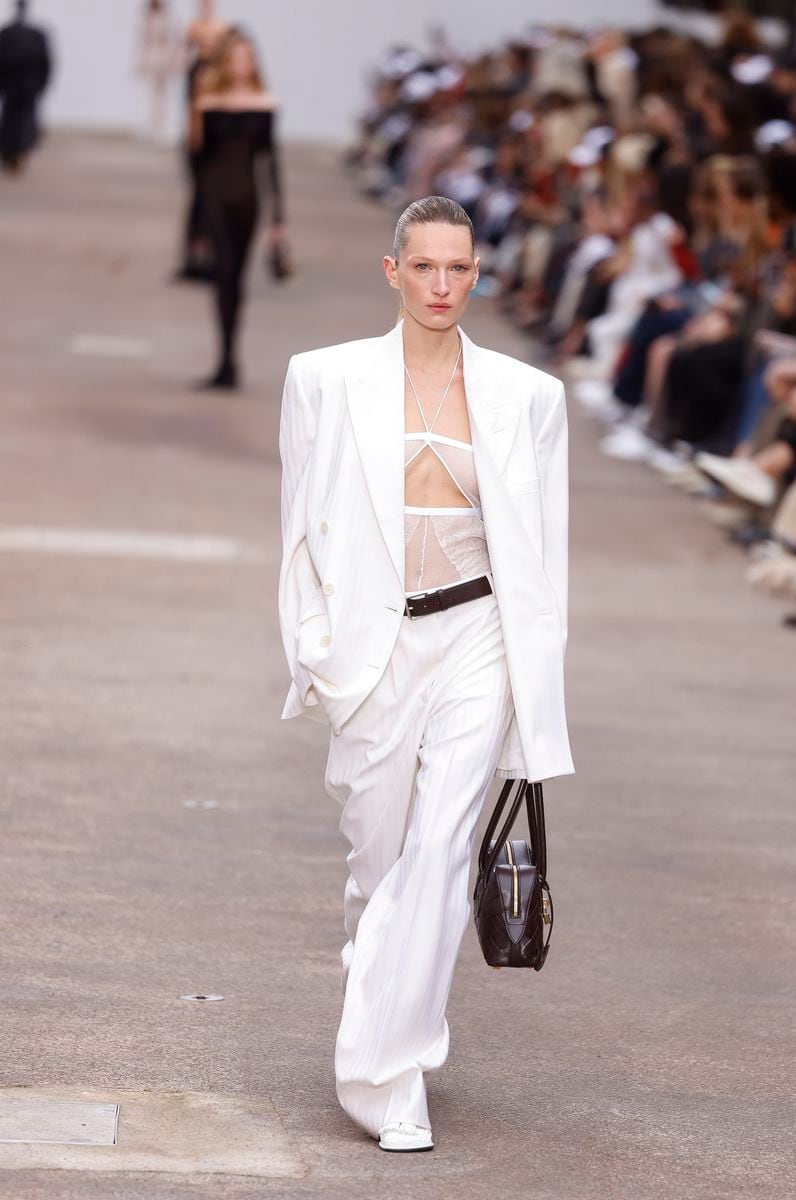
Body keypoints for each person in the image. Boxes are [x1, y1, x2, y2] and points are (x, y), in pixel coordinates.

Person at [277, 196, 574, 1151]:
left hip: (478, 634)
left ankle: (387, 1075)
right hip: (372, 645)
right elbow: (297, 531)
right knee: (379, 865)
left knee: (443, 852)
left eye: (460, 269)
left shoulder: (530, 398)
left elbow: (546, 560)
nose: (443, 285)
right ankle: (381, 995)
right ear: (393, 270)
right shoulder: (323, 380)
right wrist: (313, 649)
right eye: (426, 267)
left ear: (478, 274)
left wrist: (535, 698)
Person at [191, 30, 286, 389]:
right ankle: (225, 361)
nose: (241, 65)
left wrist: (279, 219)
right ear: (226, 62)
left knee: (238, 278)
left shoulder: (265, 102)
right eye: (235, 58)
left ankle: (230, 357)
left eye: (247, 57)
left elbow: (271, 161)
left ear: (254, 62)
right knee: (223, 272)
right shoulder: (208, 100)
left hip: (248, 199)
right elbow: (199, 163)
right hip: (215, 195)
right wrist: (196, 222)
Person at [175, 0, 229, 280]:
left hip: (213, 143)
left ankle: (208, 256)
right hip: (200, 144)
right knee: (198, 199)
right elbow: (191, 107)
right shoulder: (197, 66)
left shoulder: (221, 37)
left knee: (209, 201)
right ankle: (195, 257)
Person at [0, 0, 51, 174]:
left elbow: (45, 63)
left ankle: (13, 154)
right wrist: (42, 84)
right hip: (26, 86)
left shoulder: (7, 33)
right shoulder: (36, 34)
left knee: (16, 121)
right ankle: (15, 154)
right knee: (21, 122)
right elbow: (46, 63)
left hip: (15, 86)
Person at [135, 0, 179, 144]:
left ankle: (165, 128)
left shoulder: (168, 15)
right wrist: (141, 60)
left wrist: (173, 59)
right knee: (150, 94)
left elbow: (173, 37)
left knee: (163, 94)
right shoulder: (145, 14)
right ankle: (150, 127)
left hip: (164, 56)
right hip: (151, 56)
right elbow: (142, 39)